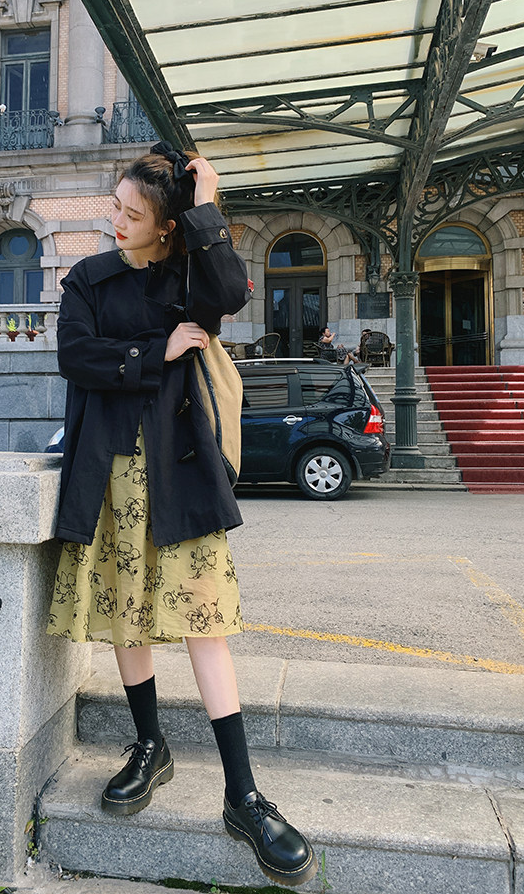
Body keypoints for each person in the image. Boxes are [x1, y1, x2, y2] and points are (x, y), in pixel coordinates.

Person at [47, 141, 317, 888]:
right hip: (109, 472)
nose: (117, 219)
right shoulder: (88, 279)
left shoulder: (190, 274)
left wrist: (206, 207)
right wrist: (154, 353)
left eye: (133, 214)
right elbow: (76, 357)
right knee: (129, 617)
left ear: (166, 226)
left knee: (206, 623)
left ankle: (244, 795)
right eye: (115, 206)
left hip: (181, 473)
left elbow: (230, 292)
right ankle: (149, 745)